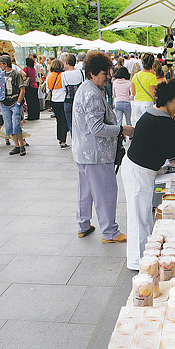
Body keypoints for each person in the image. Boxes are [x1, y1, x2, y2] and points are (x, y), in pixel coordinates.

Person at [122, 77, 175, 271]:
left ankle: (145, 257)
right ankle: (138, 263)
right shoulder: (161, 119)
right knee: (139, 217)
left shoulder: (162, 115)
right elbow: (174, 157)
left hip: (143, 170)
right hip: (137, 171)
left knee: (143, 216)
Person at [71, 51, 133, 243]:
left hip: (84, 151)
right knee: (105, 190)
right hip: (96, 154)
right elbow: (97, 127)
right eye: (105, 73)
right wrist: (121, 128)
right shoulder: (92, 94)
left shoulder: (85, 88)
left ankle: (83, 224)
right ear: (92, 73)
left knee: (86, 190)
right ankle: (110, 232)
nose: (109, 76)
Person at [0, 55, 28, 156]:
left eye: (0, 64)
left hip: (14, 101)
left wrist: (19, 102)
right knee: (9, 126)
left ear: (5, 64)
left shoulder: (16, 74)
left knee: (16, 125)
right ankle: (17, 145)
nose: (0, 66)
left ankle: (21, 145)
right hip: (5, 102)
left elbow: (22, 89)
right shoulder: (1, 75)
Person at [46, 58, 70, 149]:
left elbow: (48, 89)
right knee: (64, 120)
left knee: (58, 120)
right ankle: (63, 141)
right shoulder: (63, 75)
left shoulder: (49, 76)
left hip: (53, 99)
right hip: (62, 99)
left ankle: (59, 138)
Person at [61, 53, 84, 138]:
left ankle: (74, 139)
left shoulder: (63, 74)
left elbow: (64, 89)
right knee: (80, 122)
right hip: (79, 100)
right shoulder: (81, 72)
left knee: (70, 123)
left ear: (67, 62)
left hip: (68, 101)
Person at [131, 53, 157, 125]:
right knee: (148, 124)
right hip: (147, 102)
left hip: (137, 102)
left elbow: (133, 92)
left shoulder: (135, 75)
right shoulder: (152, 77)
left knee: (138, 124)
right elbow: (153, 93)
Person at [23, 57, 40, 121]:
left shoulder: (26, 69)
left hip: (29, 86)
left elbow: (24, 76)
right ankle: (36, 115)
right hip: (35, 86)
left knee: (30, 102)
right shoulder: (33, 69)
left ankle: (31, 115)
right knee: (35, 101)